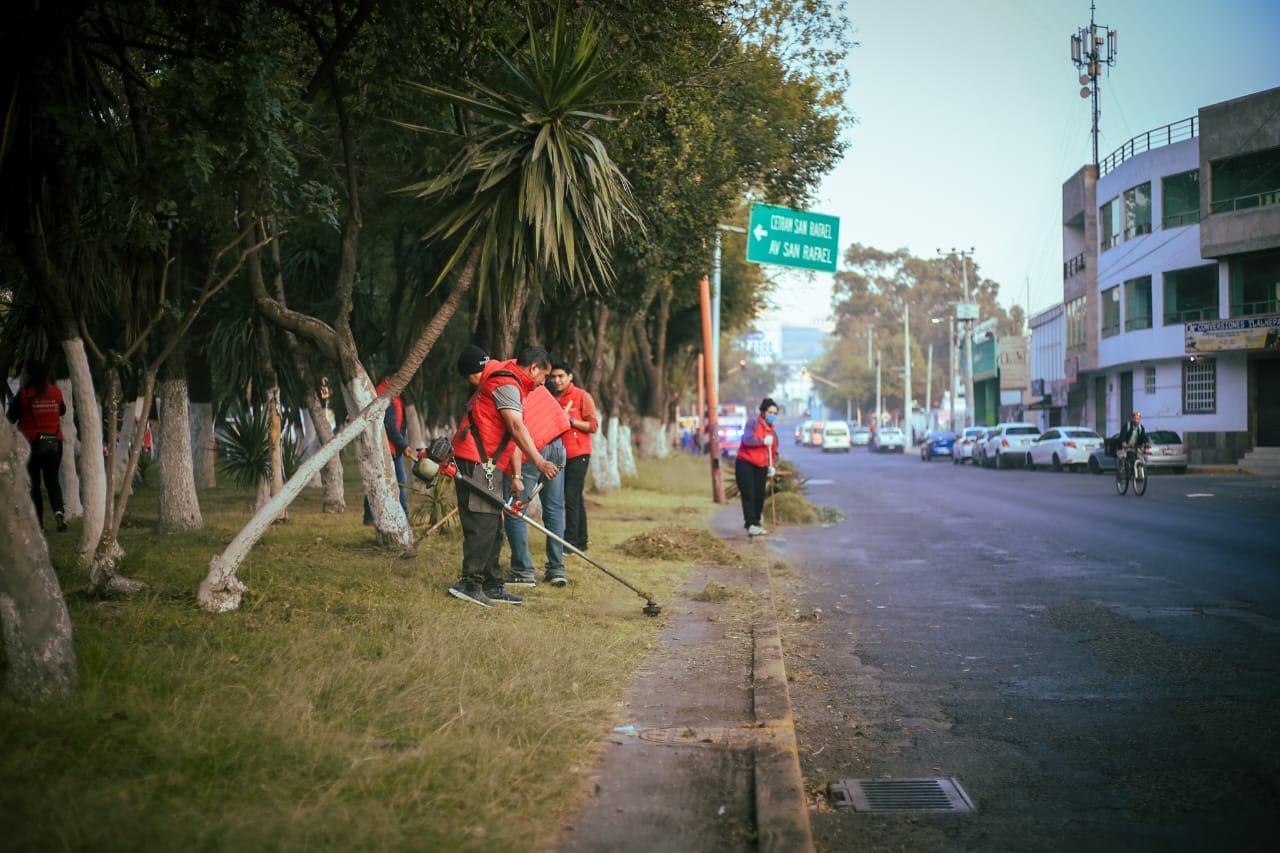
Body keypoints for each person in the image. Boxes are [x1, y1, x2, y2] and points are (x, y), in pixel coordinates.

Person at [449, 345, 560, 608]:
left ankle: (492, 584)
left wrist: (515, 475)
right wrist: (539, 461)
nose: (542, 384)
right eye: (544, 377)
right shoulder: (507, 384)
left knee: (495, 524)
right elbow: (516, 426)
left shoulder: (511, 381)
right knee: (483, 522)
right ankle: (470, 583)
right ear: (533, 368)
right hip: (476, 460)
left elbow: (507, 436)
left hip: (488, 461)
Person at [503, 378, 569, 588]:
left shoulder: (508, 391)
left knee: (514, 510)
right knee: (554, 510)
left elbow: (516, 437)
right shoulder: (539, 387)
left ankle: (523, 571)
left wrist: (517, 476)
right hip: (558, 447)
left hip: (533, 451)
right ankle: (556, 570)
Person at [6, 358, 69, 532]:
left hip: (32, 443)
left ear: (31, 375)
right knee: (52, 479)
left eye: (25, 372)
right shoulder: (55, 392)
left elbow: (10, 417)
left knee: (34, 484)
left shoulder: (24, 394)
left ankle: (39, 524)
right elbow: (62, 410)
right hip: (53, 441)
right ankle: (58, 512)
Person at [547, 360, 598, 554]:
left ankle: (570, 542)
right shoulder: (550, 397)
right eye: (553, 377)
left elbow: (593, 426)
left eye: (561, 376)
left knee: (572, 496)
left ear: (570, 377)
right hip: (558, 454)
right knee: (572, 497)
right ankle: (580, 541)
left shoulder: (582, 396)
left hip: (578, 453)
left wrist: (570, 421)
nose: (557, 380)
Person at [363, 375, 417, 524]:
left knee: (378, 481)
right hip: (386, 448)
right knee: (400, 480)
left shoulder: (393, 394)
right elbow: (390, 427)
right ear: (388, 378)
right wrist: (404, 446)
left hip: (391, 447)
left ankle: (368, 517)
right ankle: (403, 516)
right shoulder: (385, 394)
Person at [735, 397, 780, 537]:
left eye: (775, 413)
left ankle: (756, 522)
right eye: (770, 412)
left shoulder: (772, 432)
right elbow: (747, 440)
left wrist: (772, 466)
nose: (772, 415)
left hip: (761, 465)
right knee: (749, 493)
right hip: (745, 463)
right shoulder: (752, 423)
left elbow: (774, 451)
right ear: (763, 412)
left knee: (759, 494)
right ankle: (750, 524)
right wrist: (761, 441)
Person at [1118, 410, 1148, 474]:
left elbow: (1144, 436)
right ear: (1132, 418)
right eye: (1135, 418)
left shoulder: (1141, 428)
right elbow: (1122, 436)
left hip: (1135, 447)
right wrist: (1124, 443)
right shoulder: (1126, 427)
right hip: (1125, 446)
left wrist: (1146, 443)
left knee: (1140, 457)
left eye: (1138, 419)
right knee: (1124, 456)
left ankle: (1139, 470)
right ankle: (1122, 470)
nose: (1136, 420)